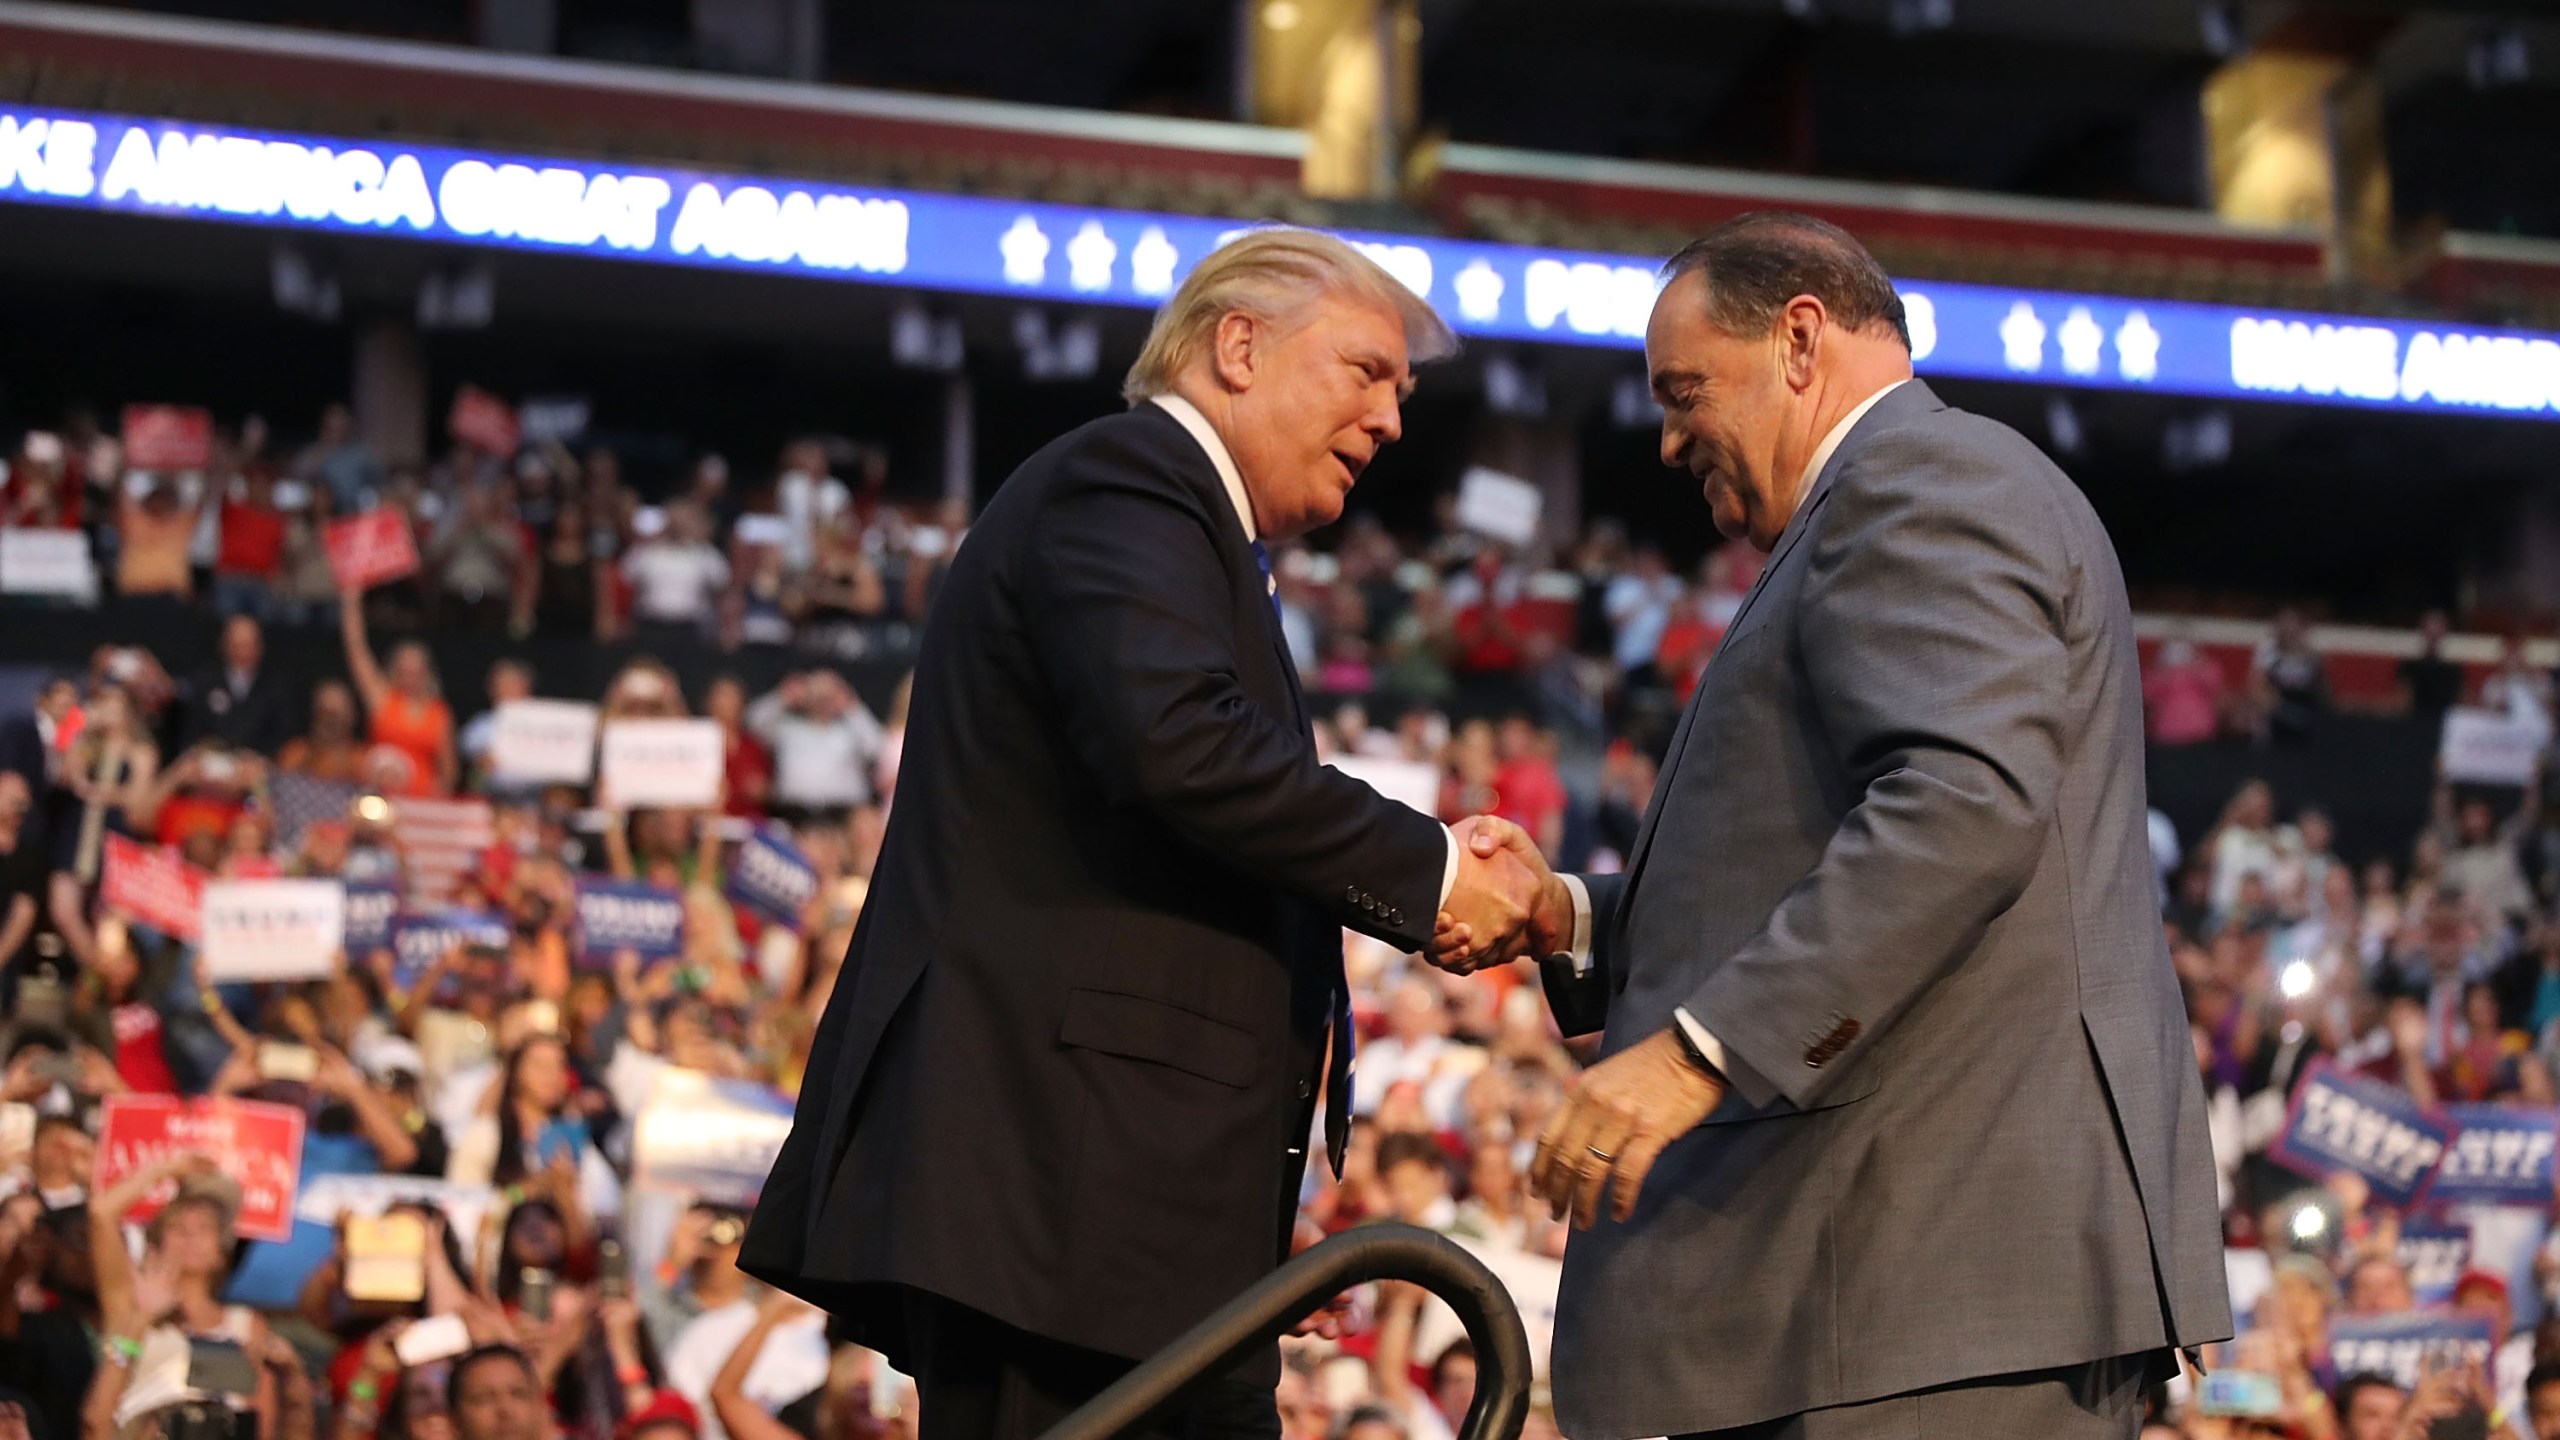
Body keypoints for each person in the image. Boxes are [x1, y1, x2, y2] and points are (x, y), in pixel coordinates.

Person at [741, 227, 1541, 1440]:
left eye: (1402, 393)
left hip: (1122, 1217)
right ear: (1237, 347)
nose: (1388, 421)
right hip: (1051, 1209)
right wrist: (1432, 870)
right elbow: (1183, 746)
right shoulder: (1126, 480)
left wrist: (1238, 1207)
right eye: (1365, 371)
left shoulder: (1197, 536)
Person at [1465, 213, 2230, 1437]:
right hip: (1893, 1298)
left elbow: (1961, 808)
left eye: (1684, 390)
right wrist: (1569, 916)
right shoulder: (1885, 502)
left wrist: (1698, 1050)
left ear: (1801, 340)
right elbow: (1826, 846)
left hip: (1936, 1287)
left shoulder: (1927, 481)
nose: (1667, 441)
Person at [340, 587, 458, 795]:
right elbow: (356, 649)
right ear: (395, 672)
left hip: (422, 802)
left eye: (416, 672)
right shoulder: (383, 699)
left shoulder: (439, 713)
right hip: (379, 798)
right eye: (404, 671)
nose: (410, 678)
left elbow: (449, 770)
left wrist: (437, 799)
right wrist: (352, 600)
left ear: (426, 673)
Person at [183, 614, 295, 756]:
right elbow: (192, 728)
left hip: (258, 762)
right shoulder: (204, 680)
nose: (242, 653)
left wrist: (257, 757)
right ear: (223, 646)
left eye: (248, 645)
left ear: (260, 648)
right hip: (212, 759)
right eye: (236, 645)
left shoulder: (276, 686)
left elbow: (283, 733)